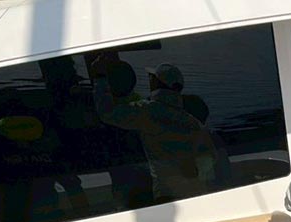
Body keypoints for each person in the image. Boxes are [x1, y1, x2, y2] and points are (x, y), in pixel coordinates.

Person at [91, 59, 217, 202]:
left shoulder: (145, 112)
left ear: (156, 83)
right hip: (196, 191)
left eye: (152, 78)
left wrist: (100, 78)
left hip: (166, 194)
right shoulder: (192, 122)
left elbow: (107, 113)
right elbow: (210, 154)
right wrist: (196, 171)